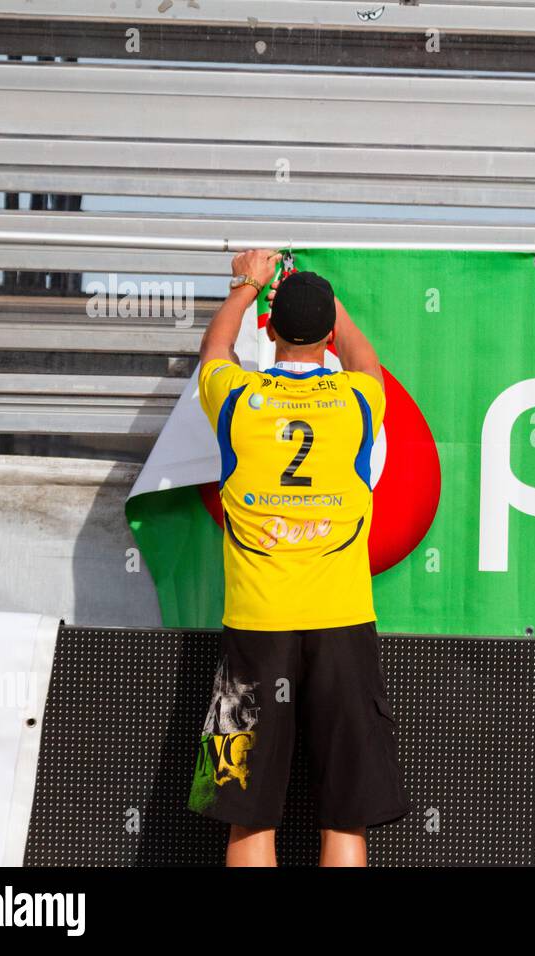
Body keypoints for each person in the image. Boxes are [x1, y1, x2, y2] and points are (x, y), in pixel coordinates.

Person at [187, 248, 410, 866]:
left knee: (244, 815)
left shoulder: (235, 397)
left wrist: (246, 285)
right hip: (342, 622)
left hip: (255, 625)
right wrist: (327, 300)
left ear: (270, 329)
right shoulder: (360, 401)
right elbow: (368, 361)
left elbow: (213, 352)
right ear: (330, 337)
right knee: (347, 818)